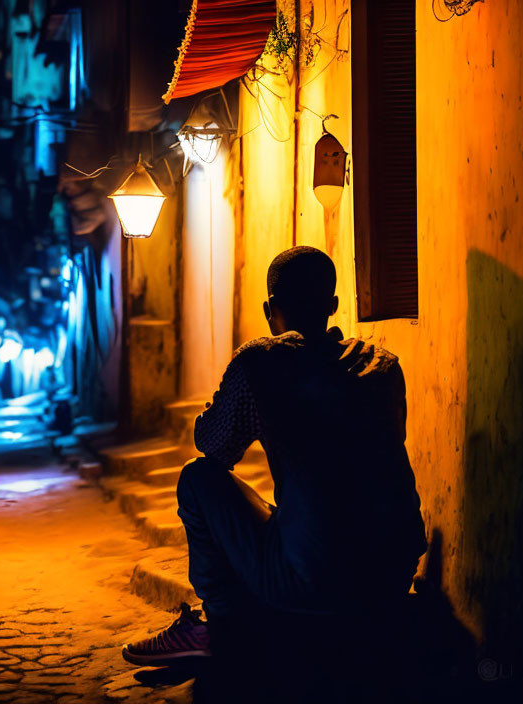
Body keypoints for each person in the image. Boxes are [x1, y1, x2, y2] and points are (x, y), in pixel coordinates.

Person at [122, 246, 427, 665]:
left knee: (197, 478)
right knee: (292, 509)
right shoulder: (383, 365)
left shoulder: (262, 362)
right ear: (333, 306)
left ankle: (217, 626)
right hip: (391, 577)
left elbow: (212, 447)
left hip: (315, 582)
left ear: (270, 311)